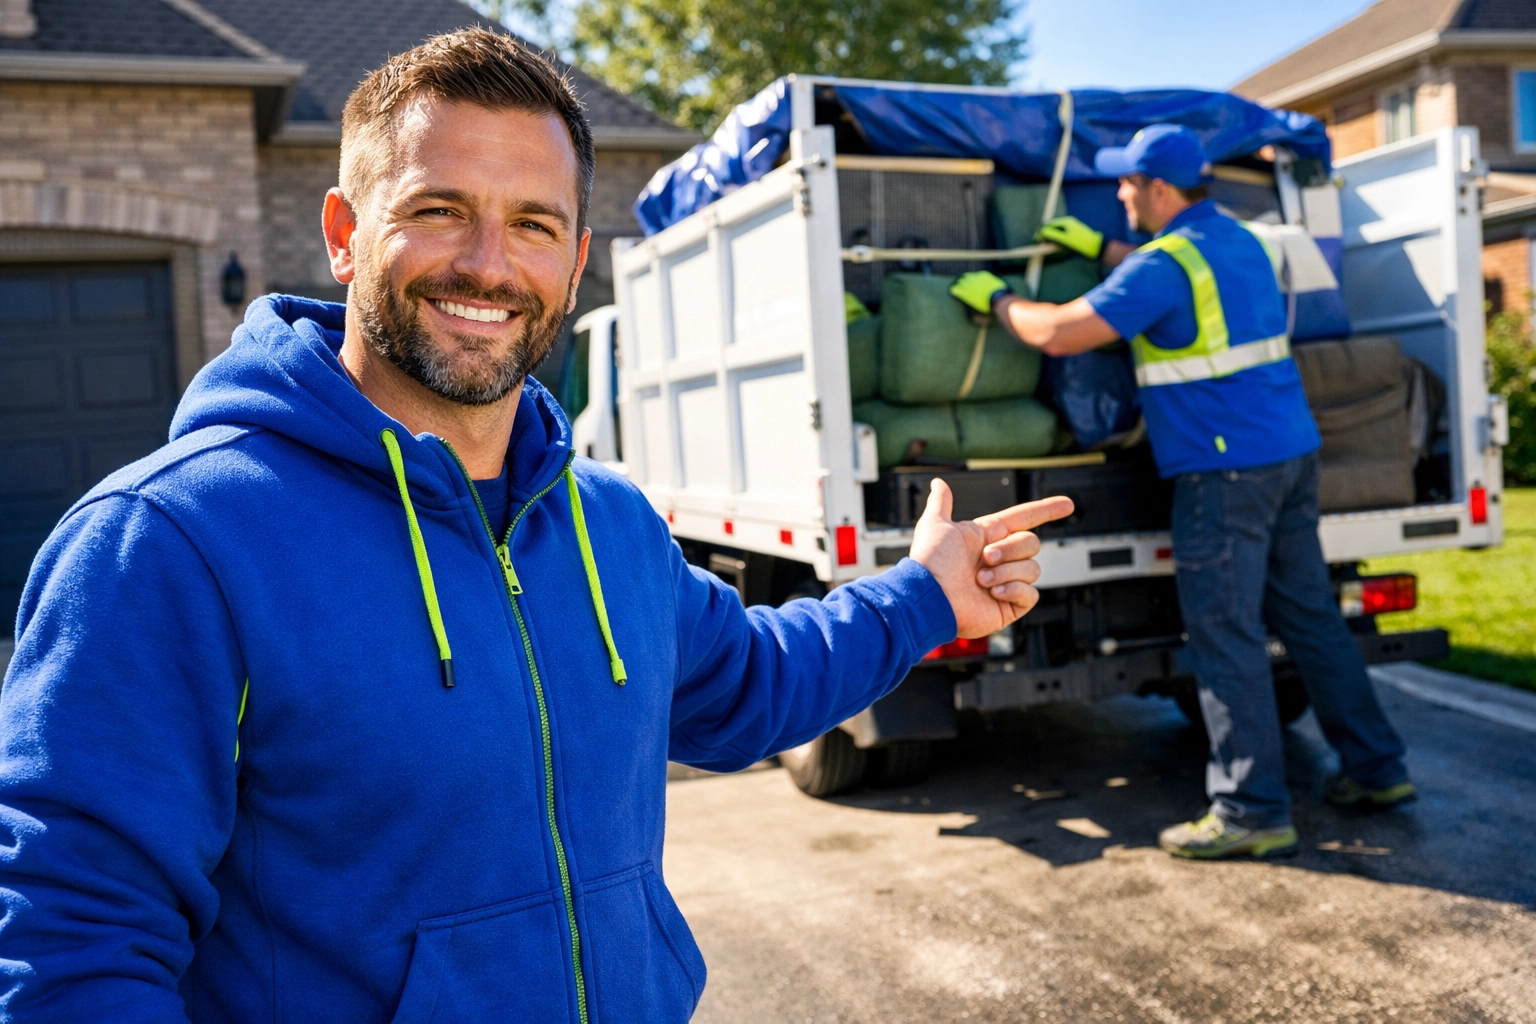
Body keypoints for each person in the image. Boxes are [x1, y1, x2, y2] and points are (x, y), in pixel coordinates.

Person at [0, 29, 1073, 1022]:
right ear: (343, 234)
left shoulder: (606, 521)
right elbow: (75, 947)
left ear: (573, 259)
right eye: (438, 209)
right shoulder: (168, 546)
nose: (487, 263)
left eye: (532, 224)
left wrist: (925, 594)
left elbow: (751, 682)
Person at [950, 124, 1415, 861]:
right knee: (1312, 621)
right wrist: (1104, 254)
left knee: (1225, 636)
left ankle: (1251, 808)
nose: (1119, 196)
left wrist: (1001, 300)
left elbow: (1063, 333)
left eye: (1128, 185)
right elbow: (1179, 278)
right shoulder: (1238, 241)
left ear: (1161, 189)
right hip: (1289, 457)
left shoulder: (1162, 264)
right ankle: (1378, 769)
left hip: (1222, 473)